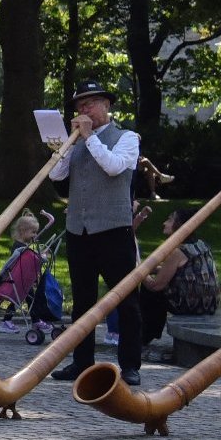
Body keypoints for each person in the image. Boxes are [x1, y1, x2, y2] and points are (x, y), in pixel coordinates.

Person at [49, 81, 143, 385]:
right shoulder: (76, 143)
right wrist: (61, 150)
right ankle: (81, 361)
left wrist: (88, 137)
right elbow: (56, 176)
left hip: (113, 229)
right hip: (80, 229)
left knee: (125, 299)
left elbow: (114, 167)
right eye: (80, 106)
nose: (83, 110)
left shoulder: (127, 137)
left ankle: (130, 365)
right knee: (82, 301)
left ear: (106, 106)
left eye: (89, 104)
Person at [137, 208, 220, 363]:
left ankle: (144, 336)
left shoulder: (179, 251)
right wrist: (151, 269)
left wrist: (139, 272)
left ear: (180, 225)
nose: (164, 223)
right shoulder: (200, 244)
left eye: (169, 219)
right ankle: (149, 334)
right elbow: (183, 272)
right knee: (154, 284)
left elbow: (156, 285)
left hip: (191, 305)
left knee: (150, 291)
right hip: (209, 303)